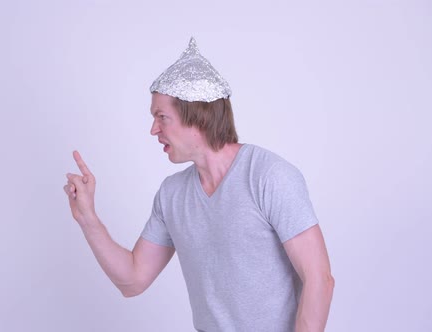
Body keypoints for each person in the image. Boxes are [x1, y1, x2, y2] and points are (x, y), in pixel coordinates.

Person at [64, 38, 334, 332]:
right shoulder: (172, 195)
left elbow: (318, 278)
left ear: (197, 117)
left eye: (162, 117)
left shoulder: (269, 176)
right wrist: (88, 218)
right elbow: (132, 281)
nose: (154, 129)